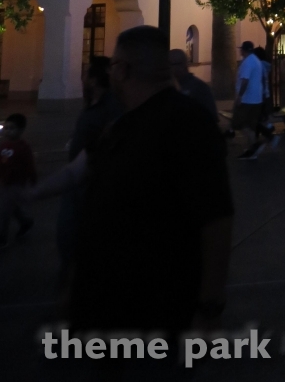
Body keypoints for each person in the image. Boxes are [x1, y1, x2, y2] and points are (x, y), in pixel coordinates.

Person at [68, 26, 233, 337]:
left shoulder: (188, 124)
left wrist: (209, 305)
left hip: (156, 311)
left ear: (124, 69)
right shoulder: (122, 124)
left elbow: (216, 220)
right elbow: (84, 167)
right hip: (111, 309)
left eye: (114, 65)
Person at [56, 57, 121, 285]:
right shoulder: (93, 106)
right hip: (81, 181)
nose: (82, 78)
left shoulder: (111, 107)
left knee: (77, 237)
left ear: (93, 79)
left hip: (91, 184)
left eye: (86, 74)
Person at [233, 41, 276, 159]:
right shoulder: (256, 61)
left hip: (247, 99)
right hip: (256, 99)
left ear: (245, 50)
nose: (240, 51)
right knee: (251, 125)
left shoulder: (247, 62)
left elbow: (245, 80)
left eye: (241, 49)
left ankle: (254, 145)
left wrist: (239, 96)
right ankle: (251, 150)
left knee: (239, 123)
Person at [0, 113, 37, 248]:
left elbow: (30, 165)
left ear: (21, 131)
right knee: (10, 207)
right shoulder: (4, 146)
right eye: (7, 128)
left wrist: (33, 180)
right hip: (5, 182)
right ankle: (25, 222)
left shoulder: (23, 148)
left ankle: (2, 238)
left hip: (15, 184)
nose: (8, 131)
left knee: (4, 211)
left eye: (12, 128)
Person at [170, 48, 219, 121]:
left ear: (183, 64)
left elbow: (211, 117)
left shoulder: (200, 88)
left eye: (172, 64)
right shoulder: (166, 87)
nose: (169, 68)